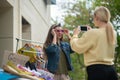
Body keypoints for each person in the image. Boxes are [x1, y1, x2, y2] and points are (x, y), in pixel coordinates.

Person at [70, 6, 118, 80]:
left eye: (93, 18)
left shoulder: (93, 33)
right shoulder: (113, 33)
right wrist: (92, 32)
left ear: (97, 17)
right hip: (111, 71)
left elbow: (77, 47)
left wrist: (75, 35)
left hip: (97, 72)